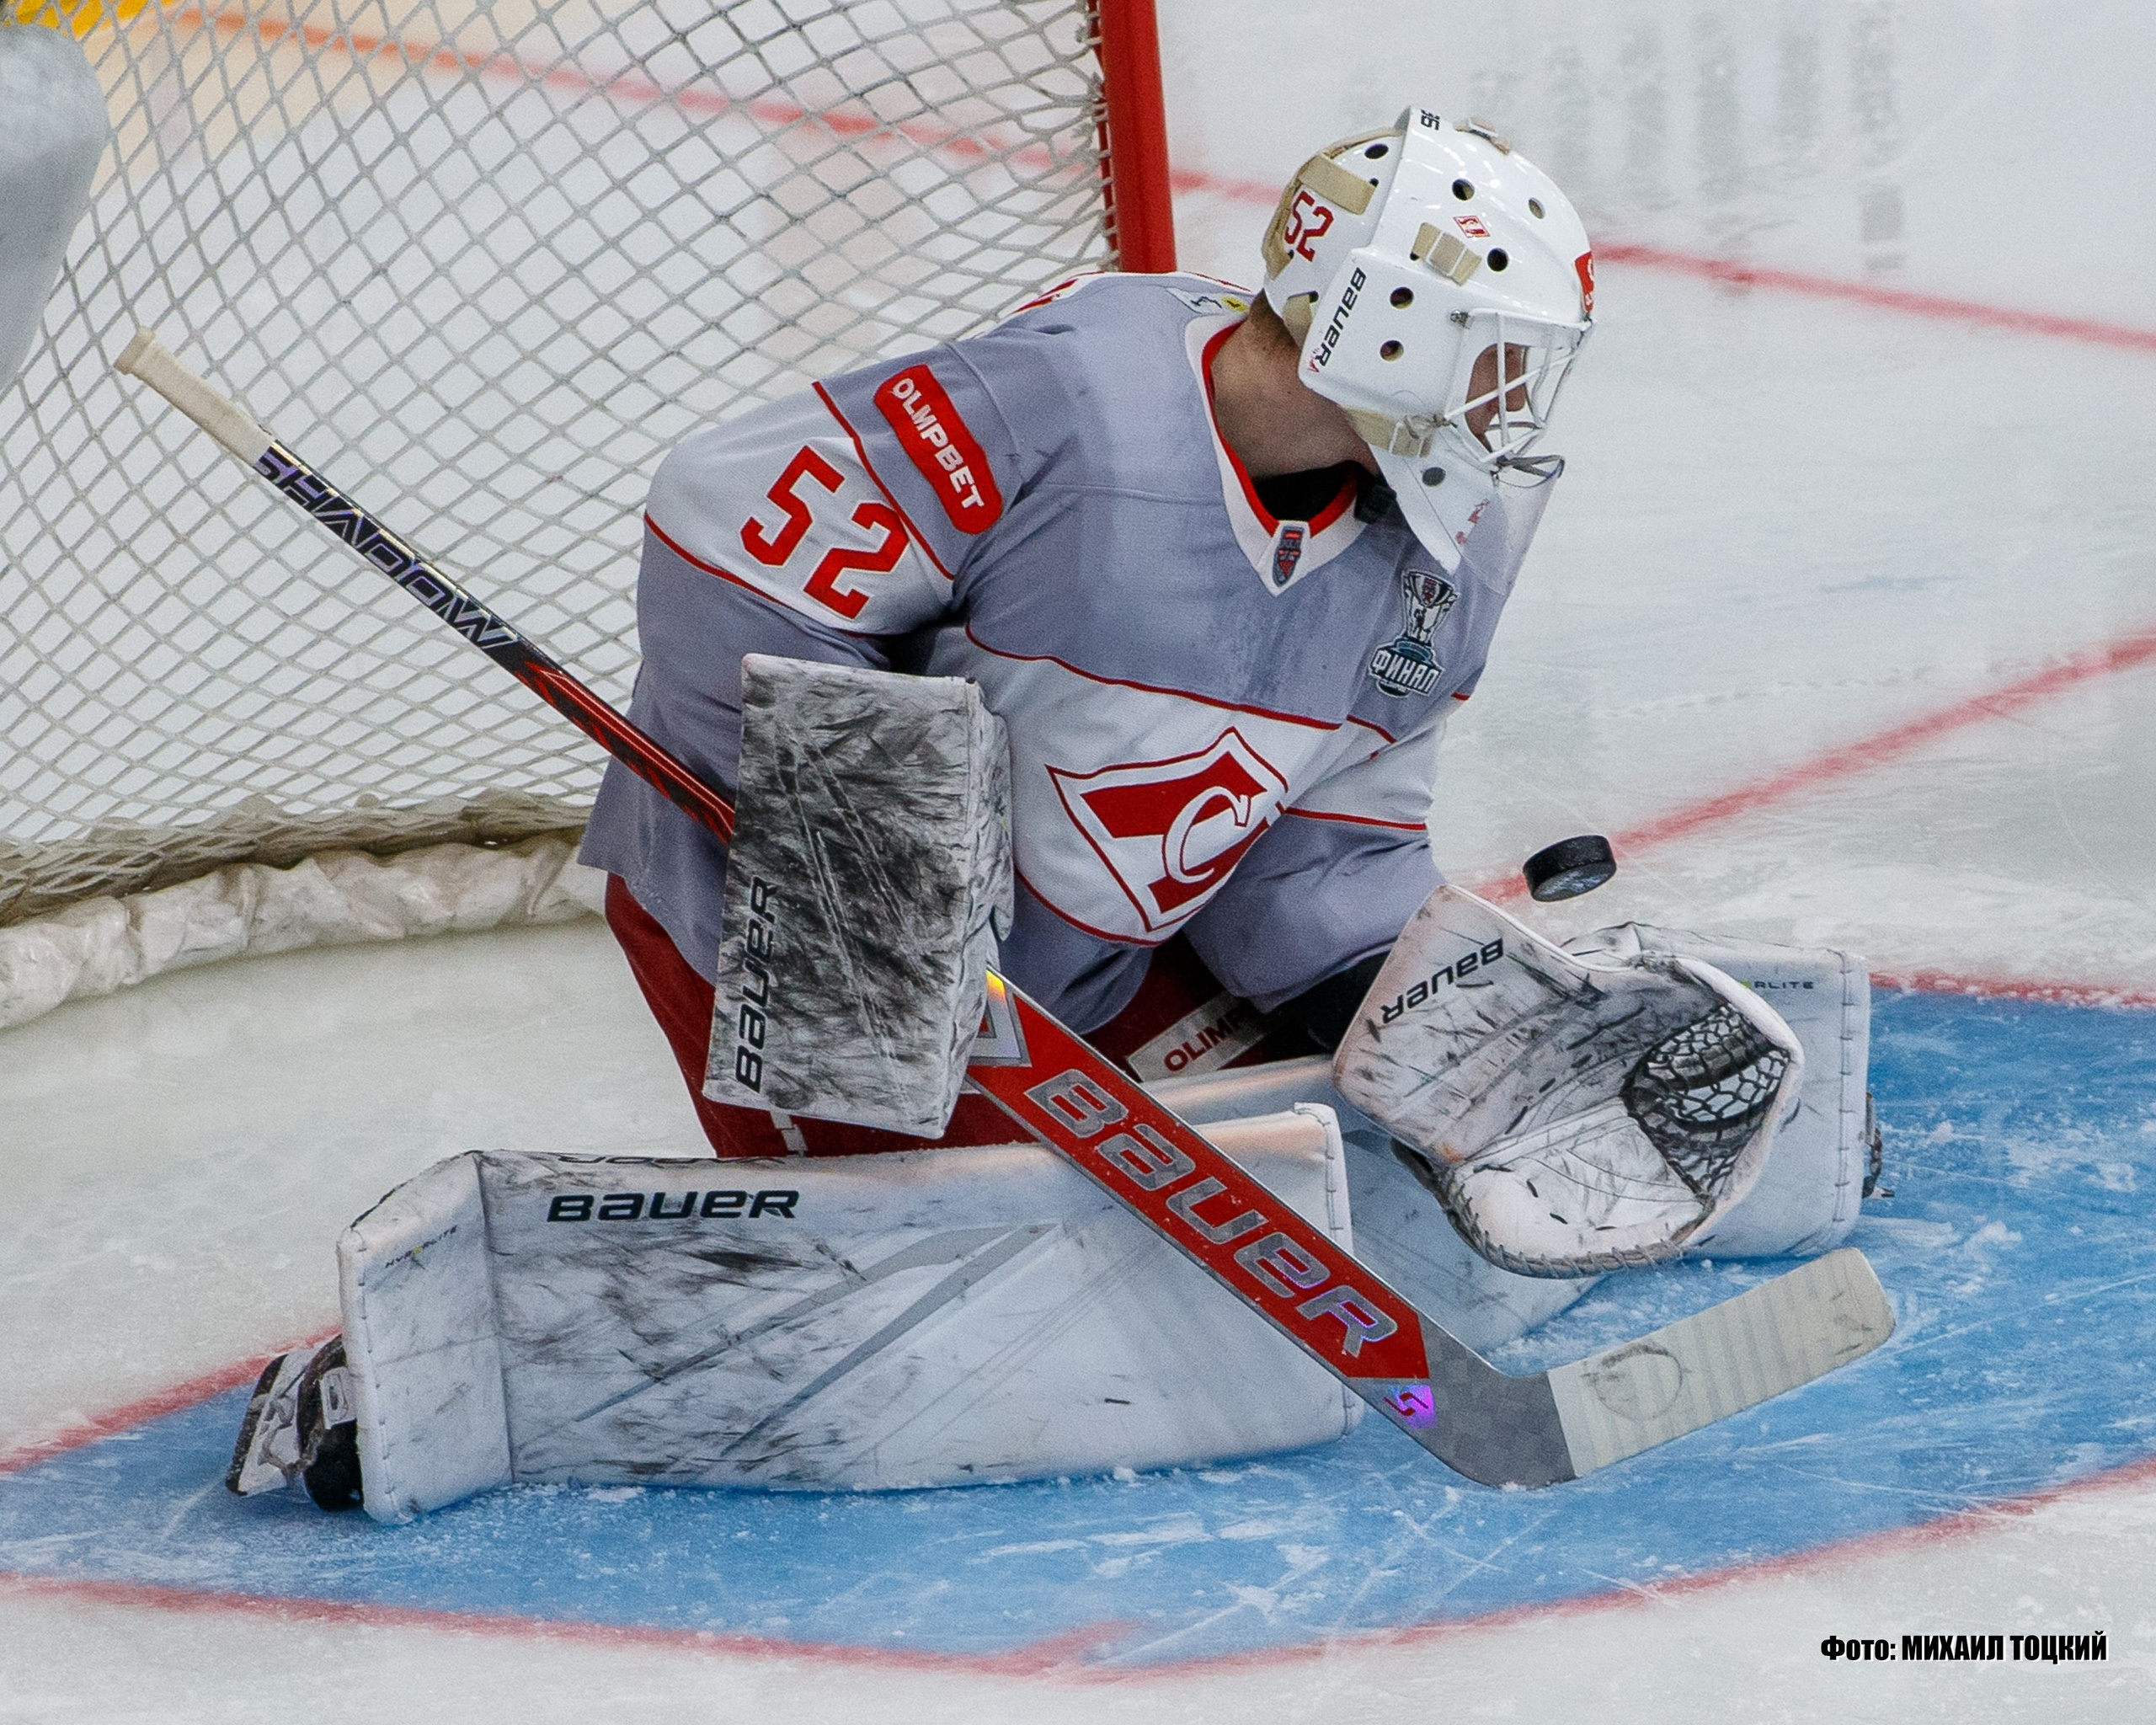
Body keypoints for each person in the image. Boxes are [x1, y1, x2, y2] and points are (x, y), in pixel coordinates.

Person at [577, 105, 1597, 1156]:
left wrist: (1434, 1021)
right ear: (1390, 322)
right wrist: (876, 885)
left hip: (1082, 959)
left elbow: (1325, 855)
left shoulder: (1437, 557)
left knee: (1328, 1171)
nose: (1510, 401)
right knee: (949, 1274)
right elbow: (726, 528)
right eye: (1497, 357)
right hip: (810, 946)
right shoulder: (1066, 403)